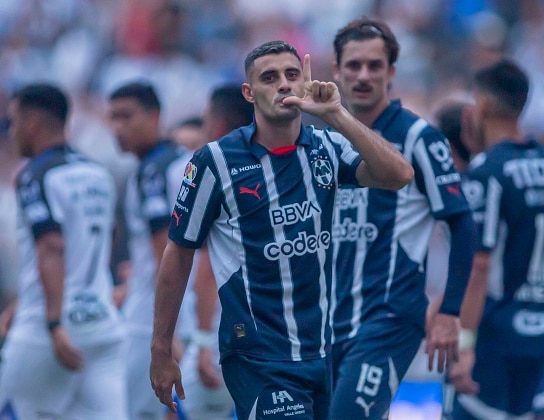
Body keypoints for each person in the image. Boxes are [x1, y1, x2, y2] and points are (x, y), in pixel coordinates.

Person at [149, 40, 414, 419]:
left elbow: (399, 175)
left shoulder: (325, 146)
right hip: (258, 356)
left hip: (323, 350)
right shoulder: (216, 161)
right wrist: (161, 349)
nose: (284, 85)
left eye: (292, 75)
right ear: (249, 92)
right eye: (269, 78)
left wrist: (336, 114)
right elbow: (178, 253)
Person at [329, 17, 475, 419]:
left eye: (375, 66)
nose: (363, 75)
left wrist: (450, 312)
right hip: (325, 322)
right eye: (354, 65)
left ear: (391, 73)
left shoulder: (419, 138)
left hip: (389, 318)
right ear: (335, 71)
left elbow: (462, 225)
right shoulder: (322, 138)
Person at [0, 83, 127, 418]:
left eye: (13, 122)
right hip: (100, 325)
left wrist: (55, 323)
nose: (11, 132)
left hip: (48, 331)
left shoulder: (35, 176)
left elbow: (52, 247)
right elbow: (107, 236)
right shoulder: (96, 172)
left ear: (32, 124)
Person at [449, 59, 544, 419]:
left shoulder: (488, 172)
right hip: (540, 328)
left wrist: (465, 346)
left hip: (495, 334)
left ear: (480, 104)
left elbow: (479, 265)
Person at [108, 81, 191, 419]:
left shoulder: (152, 173)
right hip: (187, 319)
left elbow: (166, 252)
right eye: (112, 119)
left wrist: (169, 334)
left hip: (149, 324)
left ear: (155, 116)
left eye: (126, 116)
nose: (118, 128)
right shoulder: (185, 162)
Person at [175, 84, 254, 419]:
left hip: (222, 336)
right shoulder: (277, 170)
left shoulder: (212, 171)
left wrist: (203, 340)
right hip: (273, 336)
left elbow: (205, 265)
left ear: (218, 123)